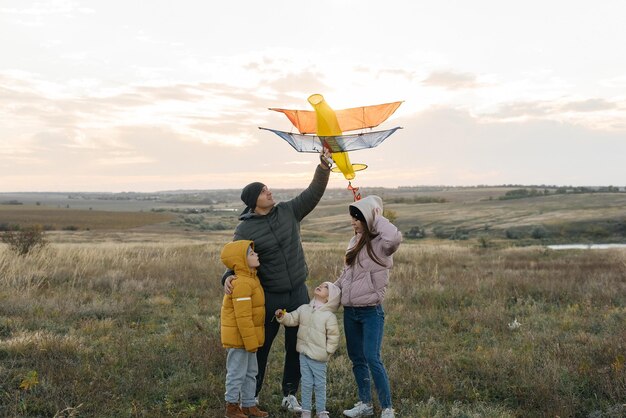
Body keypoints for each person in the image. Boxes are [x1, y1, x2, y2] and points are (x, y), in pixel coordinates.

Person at [222, 149, 332, 412]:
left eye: (268, 189)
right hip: (270, 296)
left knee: (297, 345)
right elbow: (238, 256)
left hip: (297, 293)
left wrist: (323, 168)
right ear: (253, 201)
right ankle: (252, 397)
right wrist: (227, 276)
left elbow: (312, 193)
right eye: (263, 191)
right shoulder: (246, 228)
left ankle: (289, 394)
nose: (269, 193)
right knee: (261, 347)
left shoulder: (288, 211)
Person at [334, 196, 402, 418]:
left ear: (369, 218)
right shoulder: (354, 241)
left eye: (358, 218)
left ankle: (387, 407)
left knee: (372, 357)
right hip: (350, 311)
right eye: (352, 218)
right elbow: (347, 275)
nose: (353, 222)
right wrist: (331, 290)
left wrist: (376, 216)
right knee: (357, 358)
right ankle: (365, 404)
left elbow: (394, 238)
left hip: (371, 311)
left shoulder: (382, 245)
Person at [275, 281, 341, 418]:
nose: (321, 286)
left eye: (325, 287)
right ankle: (306, 411)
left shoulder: (329, 316)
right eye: (321, 284)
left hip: (319, 357)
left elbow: (334, 336)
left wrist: (327, 352)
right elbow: (292, 318)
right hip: (304, 355)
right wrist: (282, 316)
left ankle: (321, 411)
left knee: (319, 385)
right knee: (306, 383)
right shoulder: (304, 308)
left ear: (329, 298)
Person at [220, 240, 269, 418]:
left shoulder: (251, 279)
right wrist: (250, 342)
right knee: (236, 373)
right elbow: (243, 317)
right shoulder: (241, 283)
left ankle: (248, 405)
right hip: (239, 339)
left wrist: (252, 340)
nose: (256, 255)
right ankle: (231, 407)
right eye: (251, 254)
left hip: (248, 338)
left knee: (251, 372)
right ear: (240, 260)